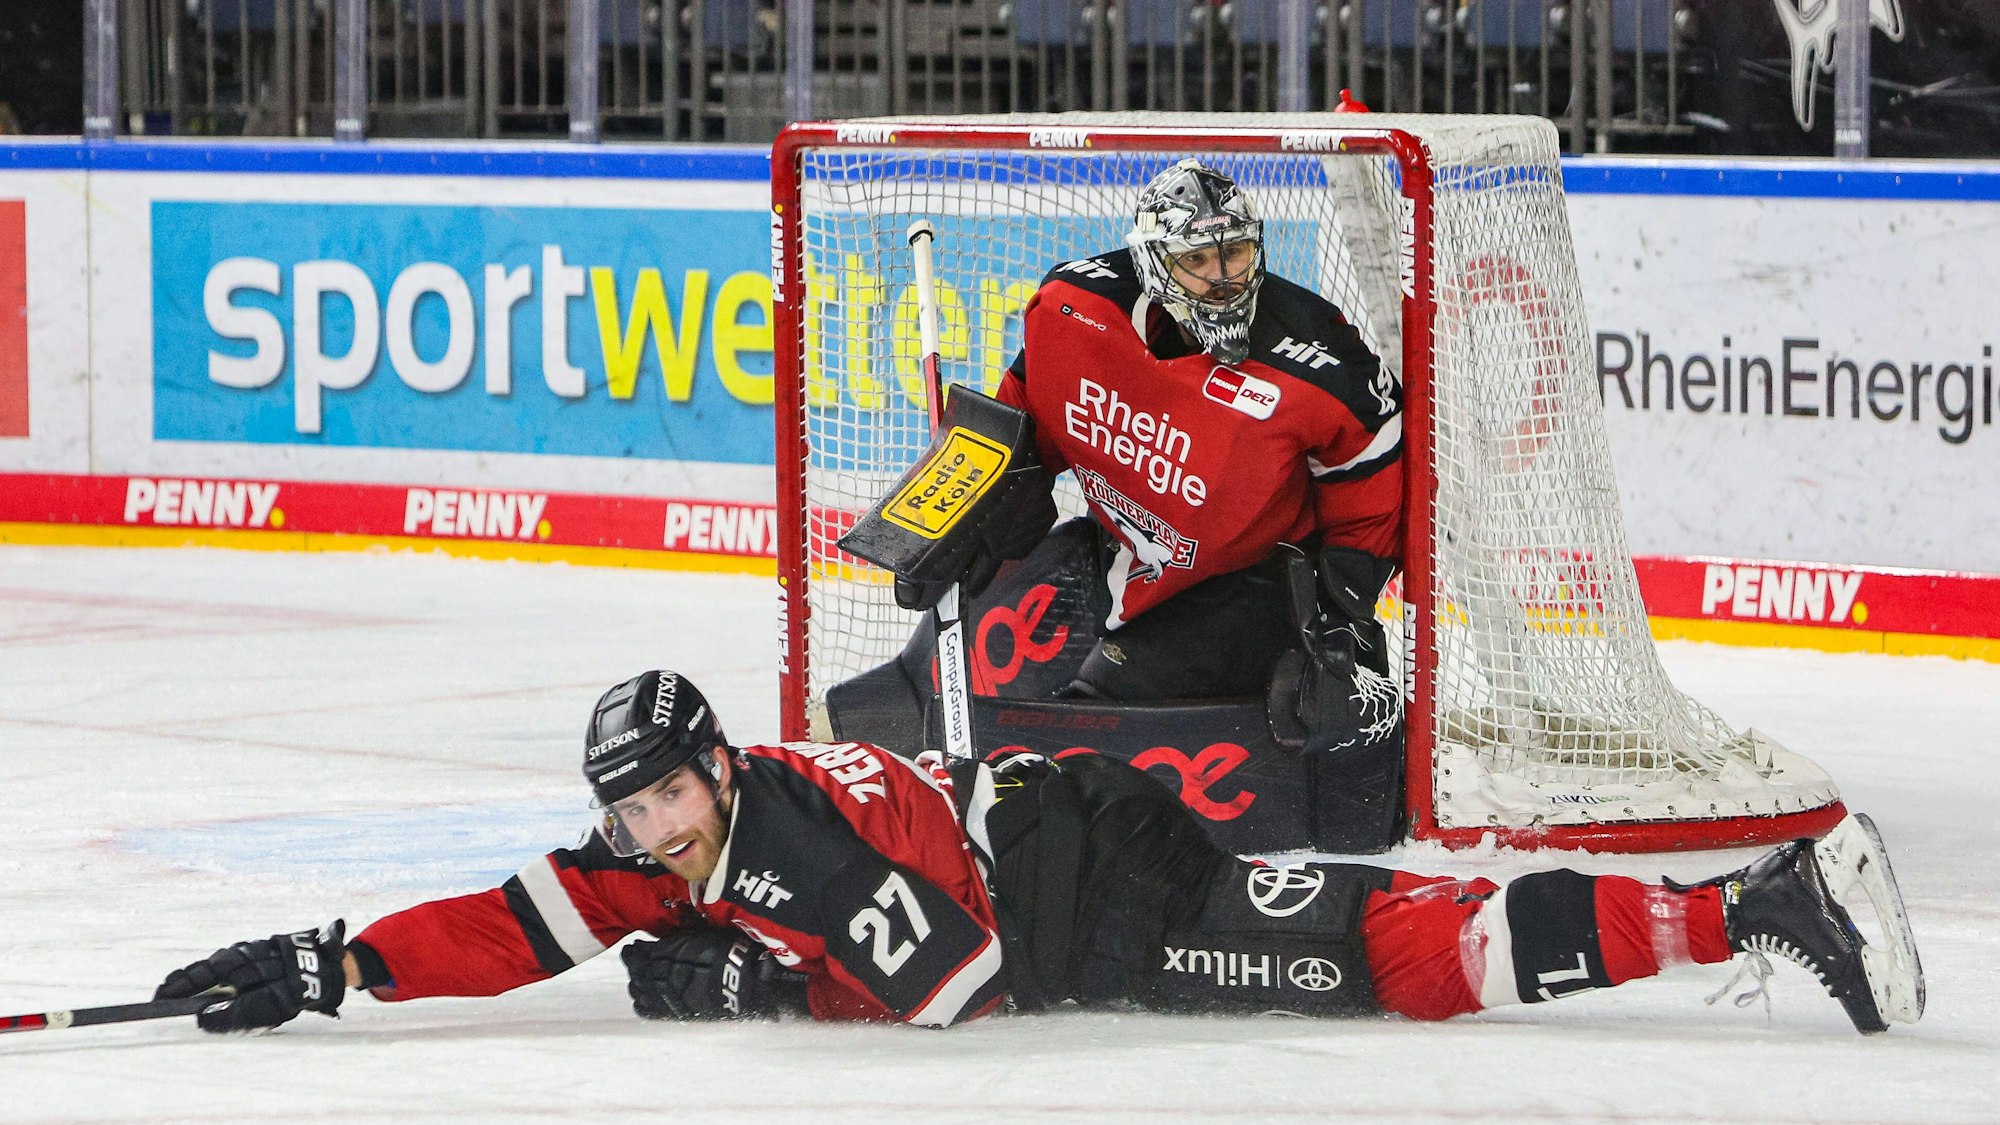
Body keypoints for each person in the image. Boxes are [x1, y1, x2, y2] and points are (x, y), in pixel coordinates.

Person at [154, 670, 1925, 1037]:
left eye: (652, 808)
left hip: (1103, 887)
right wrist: (339, 963)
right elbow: (524, 916)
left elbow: (957, 983)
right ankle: (1739, 908)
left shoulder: (770, 843)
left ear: (706, 773)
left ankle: (1748, 905)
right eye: (626, 820)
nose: (635, 840)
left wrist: (764, 993)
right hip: (1050, 844)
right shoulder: (684, 840)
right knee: (1407, 937)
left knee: (1404, 948)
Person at [831, 157, 1402, 744]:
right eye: (1197, 260)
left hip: (1251, 585)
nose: (1222, 276)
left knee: (1090, 723)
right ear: (1155, 263)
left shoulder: (1320, 359)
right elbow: (1018, 423)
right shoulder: (1075, 310)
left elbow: (1372, 491)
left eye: (1234, 252)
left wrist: (1339, 619)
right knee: (949, 665)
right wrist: (950, 513)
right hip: (1115, 555)